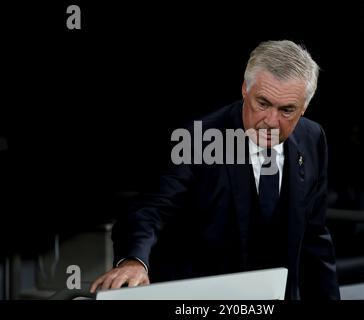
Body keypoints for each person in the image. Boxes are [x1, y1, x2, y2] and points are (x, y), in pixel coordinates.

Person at [90, 40, 340, 299]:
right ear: (245, 89)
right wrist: (134, 261)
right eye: (263, 103)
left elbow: (315, 237)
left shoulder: (313, 137)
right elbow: (150, 209)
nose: (271, 121)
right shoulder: (199, 139)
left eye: (287, 110)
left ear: (304, 107)